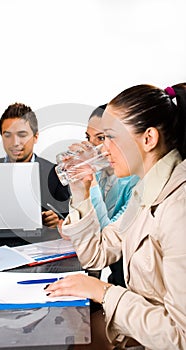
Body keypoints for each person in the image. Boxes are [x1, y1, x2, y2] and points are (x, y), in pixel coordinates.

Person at [45, 83, 186, 349]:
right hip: (137, 329)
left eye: (109, 137)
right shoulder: (144, 192)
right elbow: (96, 254)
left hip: (155, 339)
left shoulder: (179, 208)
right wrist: (81, 192)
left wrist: (104, 292)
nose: (102, 149)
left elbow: (181, 337)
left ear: (148, 139)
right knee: (55, 335)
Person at [0, 103, 70, 228]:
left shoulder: (55, 174)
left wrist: (56, 220)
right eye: (7, 135)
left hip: (37, 244)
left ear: (35, 137)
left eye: (22, 135)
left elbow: (69, 218)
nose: (15, 143)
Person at [87, 104, 139, 287]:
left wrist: (89, 182)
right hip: (115, 278)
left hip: (130, 282)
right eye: (88, 138)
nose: (92, 147)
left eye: (101, 138)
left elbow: (105, 235)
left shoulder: (135, 179)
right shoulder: (102, 173)